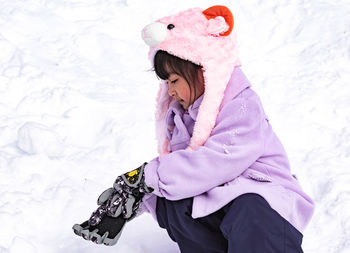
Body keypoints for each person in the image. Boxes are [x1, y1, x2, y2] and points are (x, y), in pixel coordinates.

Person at [73, 5, 314, 252]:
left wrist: (147, 178)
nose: (171, 91)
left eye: (175, 80)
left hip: (264, 204)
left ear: (202, 69)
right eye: (166, 83)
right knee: (175, 204)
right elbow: (185, 171)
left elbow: (217, 161)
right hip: (224, 204)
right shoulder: (184, 120)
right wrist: (137, 199)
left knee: (248, 209)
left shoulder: (241, 104)